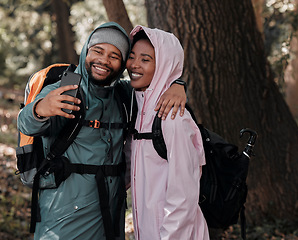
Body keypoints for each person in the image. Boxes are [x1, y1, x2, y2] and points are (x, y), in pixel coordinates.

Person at [17, 22, 186, 240]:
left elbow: (155, 83)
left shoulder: (124, 95)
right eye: (98, 51)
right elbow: (26, 123)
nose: (104, 60)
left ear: (122, 63)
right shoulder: (65, 88)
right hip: (63, 220)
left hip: (111, 216)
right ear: (86, 50)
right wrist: (39, 110)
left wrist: (178, 84)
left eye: (114, 56)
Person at [127, 26, 210, 240]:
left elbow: (184, 196)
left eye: (145, 59)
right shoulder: (137, 108)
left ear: (164, 65)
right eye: (132, 56)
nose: (134, 65)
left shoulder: (173, 118)